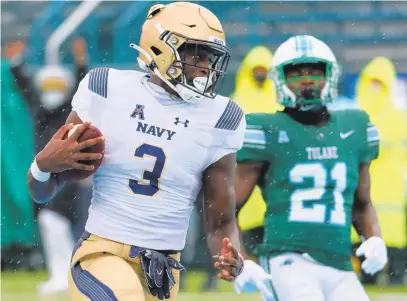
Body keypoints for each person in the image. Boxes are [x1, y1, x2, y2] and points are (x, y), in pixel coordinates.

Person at [26, 2, 245, 300]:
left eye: (211, 58)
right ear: (160, 48)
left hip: (162, 270)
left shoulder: (222, 116)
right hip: (101, 255)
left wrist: (230, 254)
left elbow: (221, 219)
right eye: (197, 54)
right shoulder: (106, 88)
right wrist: (42, 165)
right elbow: (41, 192)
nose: (206, 67)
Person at [233, 35, 388, 301]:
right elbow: (225, 210)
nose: (306, 79)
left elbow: (361, 203)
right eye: (295, 72)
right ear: (279, 78)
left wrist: (374, 238)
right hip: (287, 258)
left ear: (331, 74)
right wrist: (239, 261)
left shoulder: (355, 126)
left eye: (315, 71)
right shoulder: (265, 129)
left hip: (339, 263)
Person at [6, 37, 90, 295]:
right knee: (49, 220)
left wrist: (80, 62)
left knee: (55, 220)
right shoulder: (40, 109)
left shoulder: (69, 109)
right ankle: (62, 274)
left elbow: (80, 84)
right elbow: (24, 86)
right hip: (45, 172)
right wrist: (16, 61)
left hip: (66, 173)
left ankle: (65, 274)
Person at [354, 56, 407, 285]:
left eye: (380, 83)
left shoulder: (399, 117)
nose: (375, 88)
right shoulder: (355, 116)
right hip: (364, 188)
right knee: (364, 236)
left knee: (393, 237)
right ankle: (369, 276)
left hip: (391, 188)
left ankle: (396, 275)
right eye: (372, 82)